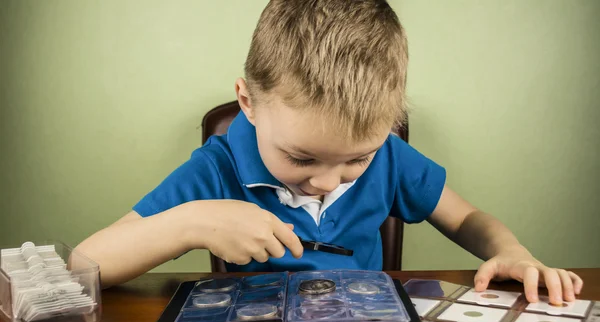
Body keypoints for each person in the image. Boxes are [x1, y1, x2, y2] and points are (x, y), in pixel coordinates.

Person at [76, 0, 582, 304]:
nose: (327, 181)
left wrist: (512, 252)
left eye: (356, 160)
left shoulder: (389, 155)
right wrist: (189, 222)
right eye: (301, 158)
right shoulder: (218, 166)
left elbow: (468, 218)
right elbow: (85, 264)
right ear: (249, 103)